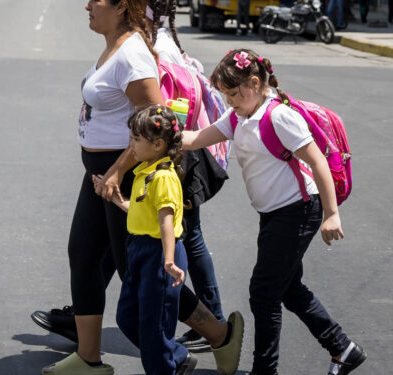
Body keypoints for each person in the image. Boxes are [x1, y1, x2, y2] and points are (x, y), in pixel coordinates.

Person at [39, 1, 243, 374]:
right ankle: (88, 359)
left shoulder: (132, 54)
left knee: (140, 272)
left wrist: (117, 171)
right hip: (101, 175)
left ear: (120, 7)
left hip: (126, 176)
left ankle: (219, 334)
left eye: (96, 0)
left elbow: (158, 125)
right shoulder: (114, 46)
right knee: (83, 255)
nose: (87, 5)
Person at [181, 49, 367, 375]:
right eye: (225, 96)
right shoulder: (239, 116)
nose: (230, 102)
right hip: (273, 214)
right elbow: (196, 138)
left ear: (255, 83)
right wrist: (160, 132)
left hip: (298, 211)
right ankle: (343, 348)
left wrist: (331, 213)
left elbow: (318, 162)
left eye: (235, 94)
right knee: (288, 289)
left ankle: (265, 370)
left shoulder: (279, 117)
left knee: (263, 294)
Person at [146, 0, 227, 351]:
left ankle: (214, 321)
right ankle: (213, 320)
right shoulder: (166, 42)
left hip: (176, 159)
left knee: (190, 237)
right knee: (191, 237)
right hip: (184, 155)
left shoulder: (157, 48)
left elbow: (163, 114)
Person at [103, 105, 194, 374]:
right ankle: (176, 357)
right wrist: (117, 199)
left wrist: (168, 260)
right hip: (140, 251)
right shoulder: (145, 169)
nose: (131, 144)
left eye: (136, 139)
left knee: (154, 329)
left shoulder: (163, 176)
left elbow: (166, 221)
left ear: (157, 144)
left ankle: (166, 366)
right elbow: (143, 210)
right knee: (127, 318)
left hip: (159, 255)